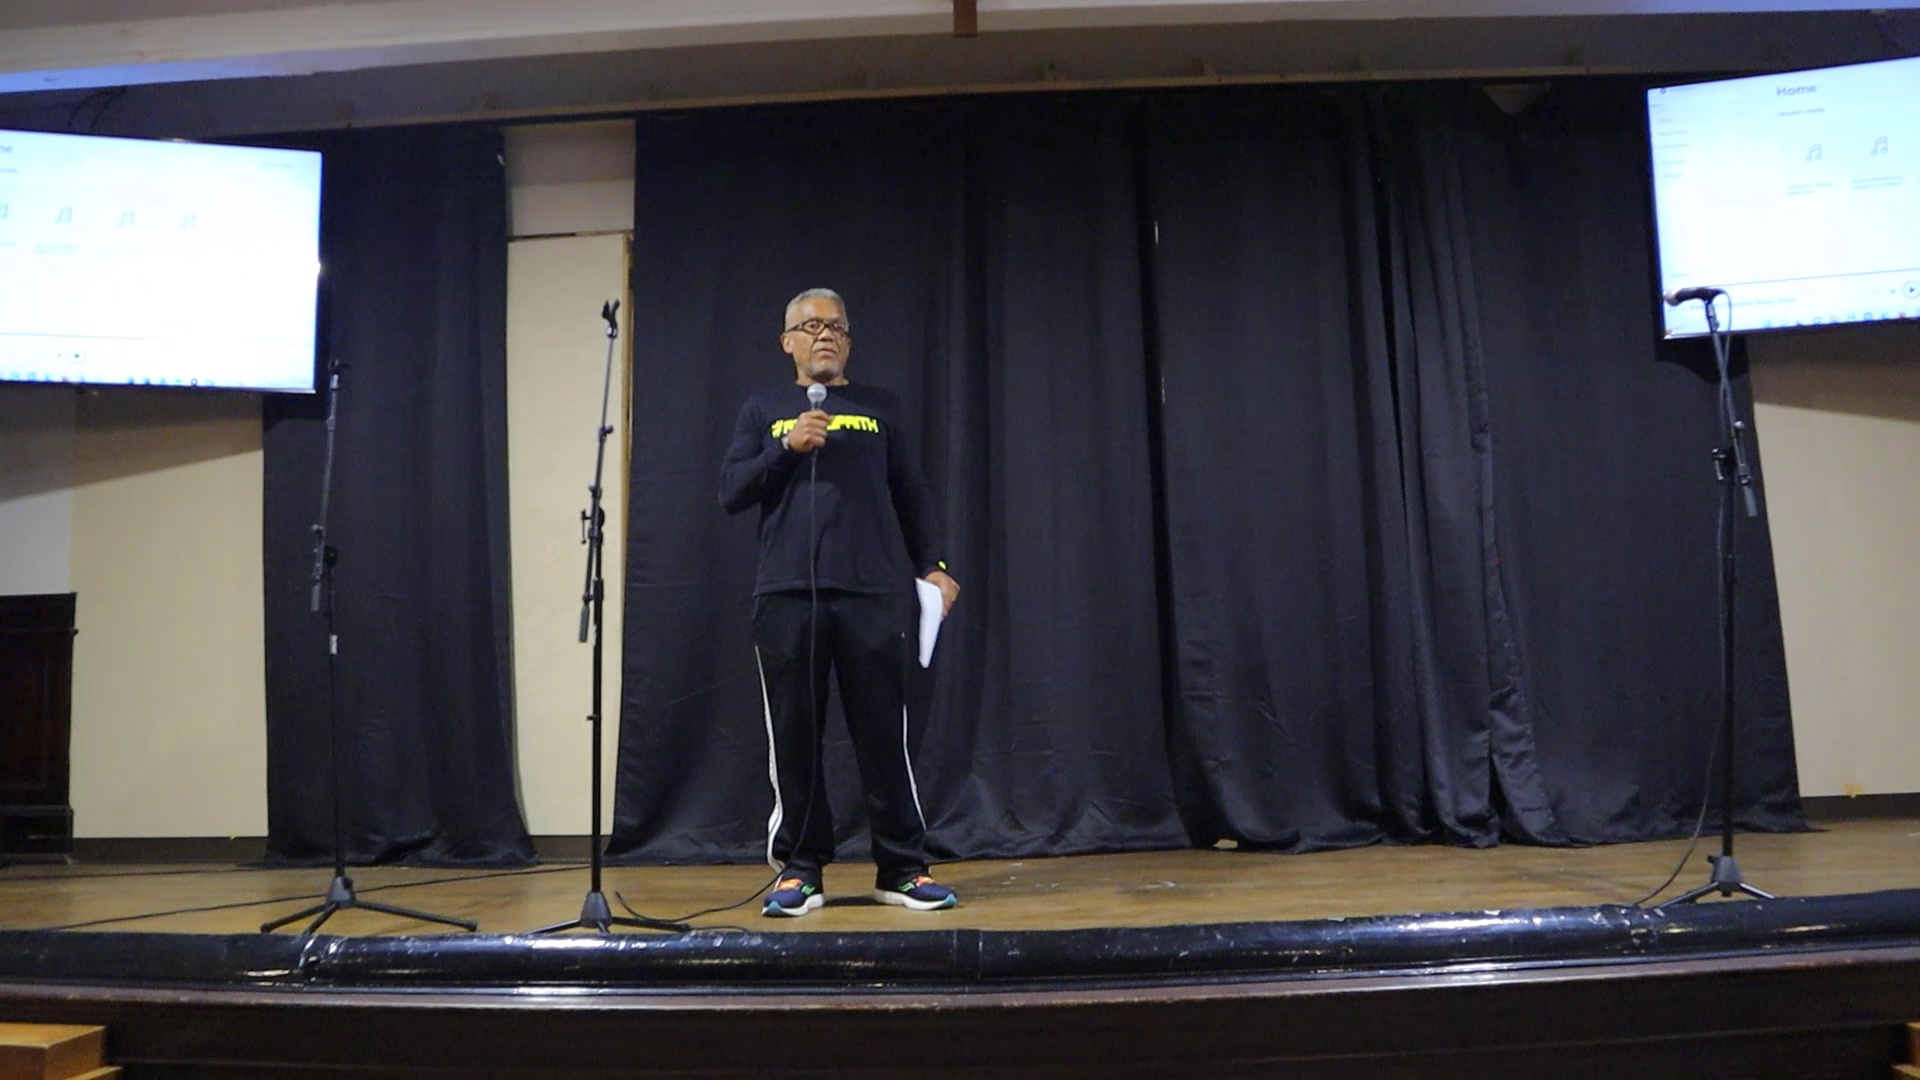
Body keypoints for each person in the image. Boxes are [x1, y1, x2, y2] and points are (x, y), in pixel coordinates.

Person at [719, 287, 962, 917]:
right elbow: (732, 490)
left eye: (836, 326)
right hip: (786, 595)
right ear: (787, 342)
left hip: (872, 592)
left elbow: (913, 493)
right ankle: (800, 870)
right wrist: (785, 448)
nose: (824, 335)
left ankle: (902, 868)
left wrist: (934, 568)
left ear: (848, 341)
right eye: (811, 326)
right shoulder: (764, 411)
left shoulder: (882, 409)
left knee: (884, 737)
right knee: (794, 737)